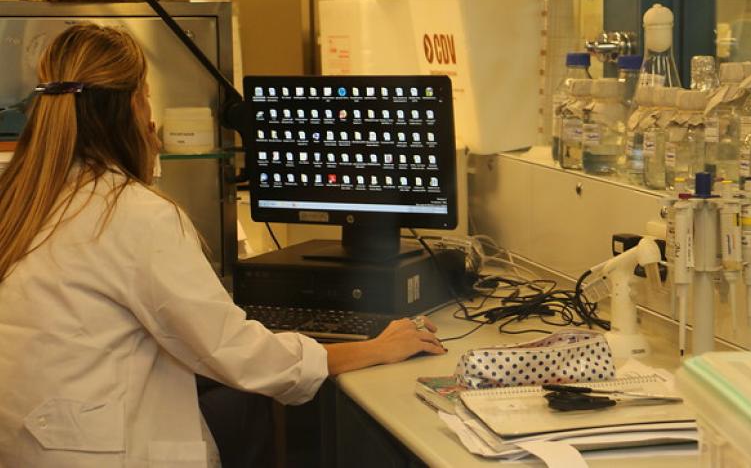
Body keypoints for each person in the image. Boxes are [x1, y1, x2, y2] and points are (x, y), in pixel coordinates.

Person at [0, 23, 446, 468]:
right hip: (103, 451)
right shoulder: (132, 214)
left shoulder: (19, 198)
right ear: (135, 105)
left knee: (235, 403)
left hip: (32, 441)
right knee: (252, 401)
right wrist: (374, 348)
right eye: (148, 97)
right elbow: (236, 353)